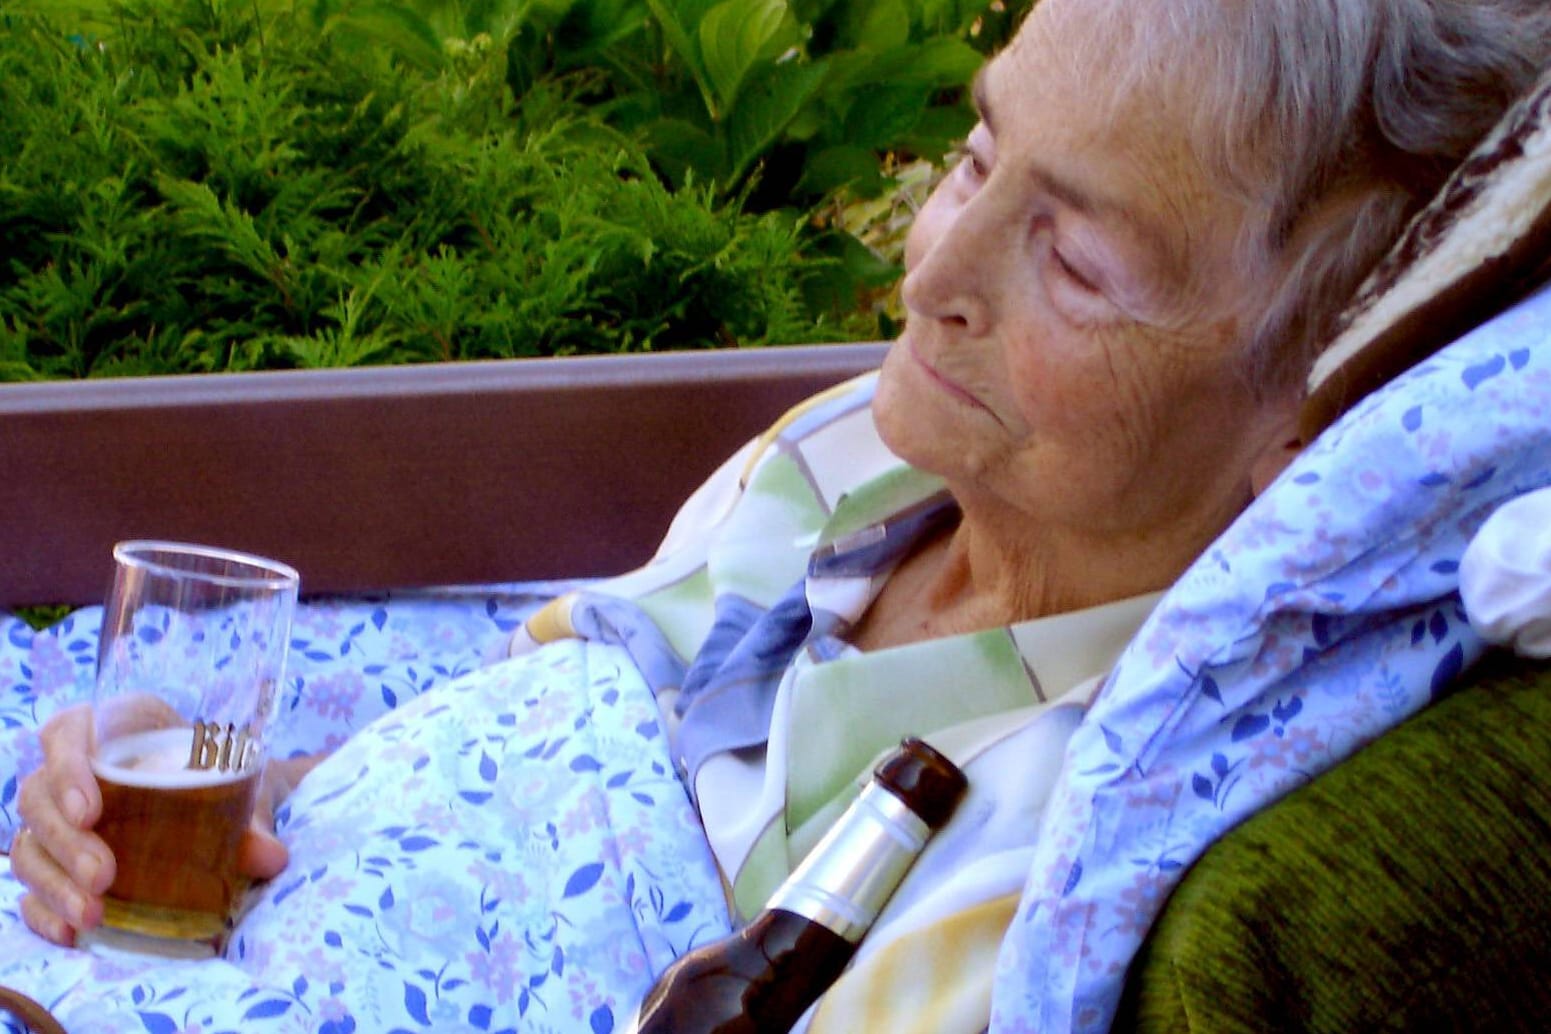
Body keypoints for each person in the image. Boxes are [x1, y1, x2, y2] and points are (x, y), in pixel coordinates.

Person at [8, 0, 1551, 1031]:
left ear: (1316, 408)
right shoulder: (839, 472)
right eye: (972, 156)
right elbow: (514, 728)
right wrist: (192, 800)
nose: (937, 269)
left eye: (1074, 263)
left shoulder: (1034, 847)